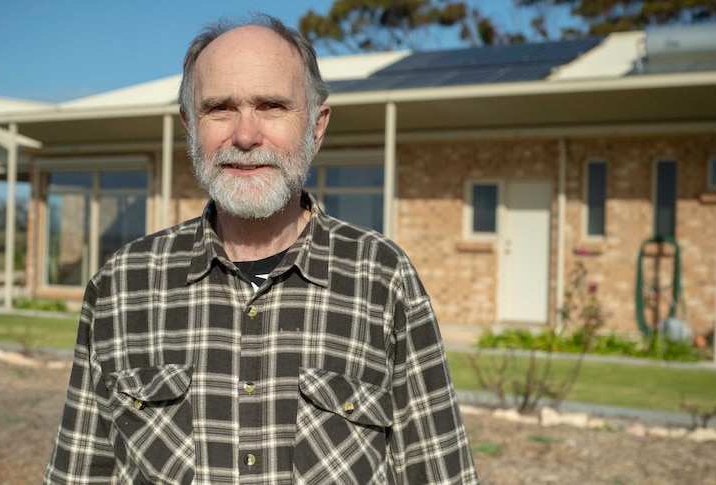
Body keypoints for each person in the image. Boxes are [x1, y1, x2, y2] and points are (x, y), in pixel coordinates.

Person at [43, 13, 478, 484]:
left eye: (271, 106)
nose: (246, 135)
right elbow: (79, 473)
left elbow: (440, 473)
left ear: (316, 126)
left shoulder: (382, 279)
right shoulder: (121, 287)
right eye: (220, 108)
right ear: (190, 126)